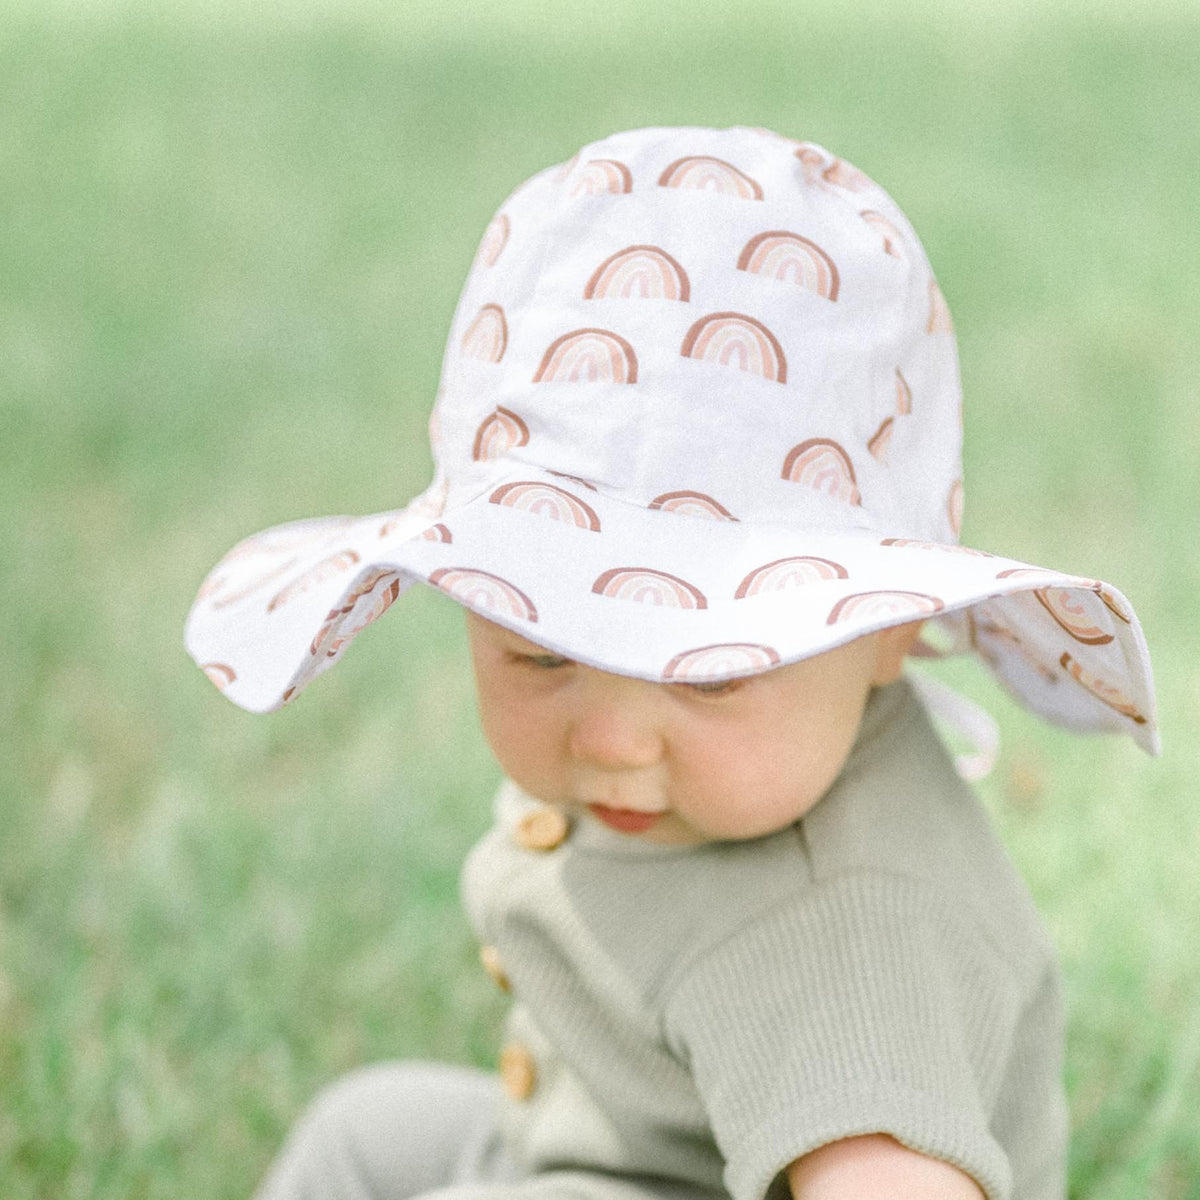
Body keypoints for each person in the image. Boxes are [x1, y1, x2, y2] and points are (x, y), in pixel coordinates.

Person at [185, 125, 1159, 1200]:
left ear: (887, 630)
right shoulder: (773, 757)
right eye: (538, 649)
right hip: (612, 1140)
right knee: (363, 1136)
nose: (608, 737)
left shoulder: (838, 926)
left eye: (709, 672)